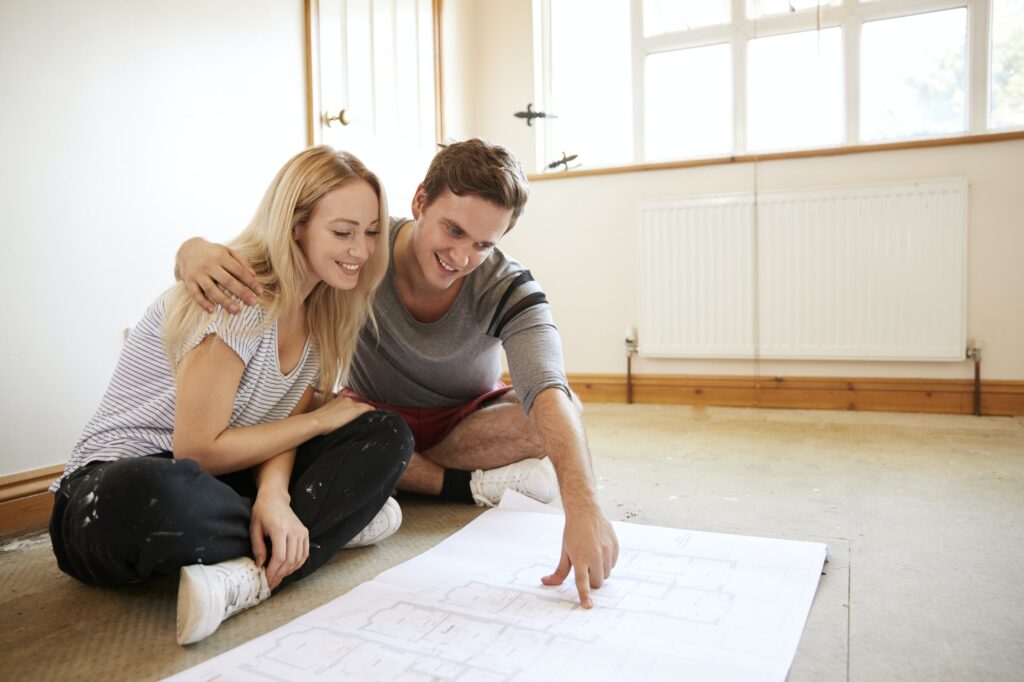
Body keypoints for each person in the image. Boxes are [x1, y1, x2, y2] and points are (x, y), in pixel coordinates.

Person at [177, 138, 619, 608]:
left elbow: (549, 387)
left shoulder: (508, 287)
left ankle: (406, 475)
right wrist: (192, 251)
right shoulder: (363, 247)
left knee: (560, 412)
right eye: (453, 229)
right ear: (420, 201)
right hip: (372, 412)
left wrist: (584, 508)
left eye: (484, 244)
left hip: (465, 418)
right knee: (331, 415)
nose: (462, 257)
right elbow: (276, 247)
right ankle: (465, 483)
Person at [49, 146, 414, 646]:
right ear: (295, 226)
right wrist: (316, 422)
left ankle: (247, 574)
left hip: (226, 475)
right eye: (343, 232)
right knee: (161, 494)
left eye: (372, 232)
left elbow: (277, 430)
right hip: (117, 490)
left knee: (386, 433)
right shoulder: (237, 295)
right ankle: (328, 531)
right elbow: (195, 450)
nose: (361, 250)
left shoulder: (326, 314)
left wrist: (274, 495)